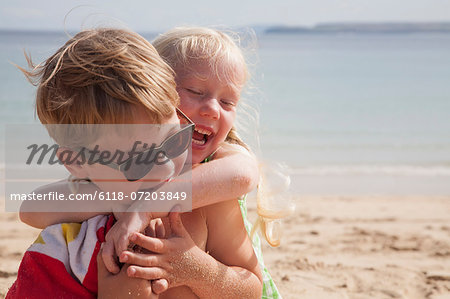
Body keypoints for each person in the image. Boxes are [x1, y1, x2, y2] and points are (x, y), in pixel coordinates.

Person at [8, 27, 262, 298]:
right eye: (138, 164)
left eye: (175, 142)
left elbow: (252, 289)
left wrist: (196, 269)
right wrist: (121, 201)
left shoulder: (209, 193)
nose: (165, 169)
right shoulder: (101, 197)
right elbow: (30, 208)